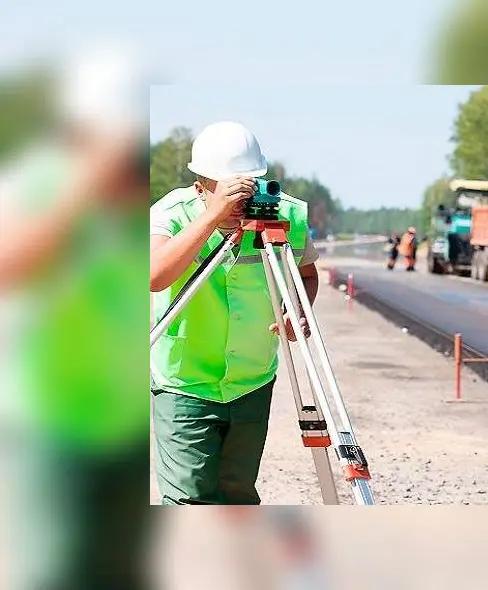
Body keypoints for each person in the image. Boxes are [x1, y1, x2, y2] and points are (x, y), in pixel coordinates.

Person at [0, 42, 152, 589]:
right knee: (56, 572)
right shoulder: (38, 182)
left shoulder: (142, 199)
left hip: (126, 426)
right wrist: (84, 186)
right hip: (51, 425)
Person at [149, 121, 321, 505]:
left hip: (252, 378)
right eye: (225, 190)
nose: (237, 202)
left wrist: (299, 309)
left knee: (238, 496)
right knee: (190, 498)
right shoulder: (171, 214)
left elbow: (307, 275)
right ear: (200, 186)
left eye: (244, 188)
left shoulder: (283, 216)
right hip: (186, 382)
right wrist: (211, 218)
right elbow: (154, 276)